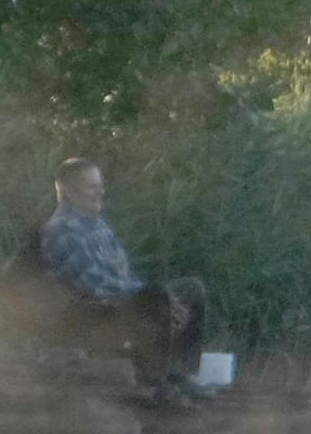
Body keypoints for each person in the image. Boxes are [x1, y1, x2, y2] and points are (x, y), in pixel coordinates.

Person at [26, 157, 215, 385]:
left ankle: (182, 374)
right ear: (69, 191)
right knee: (153, 296)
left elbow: (123, 276)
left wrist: (166, 300)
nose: (100, 192)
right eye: (92, 187)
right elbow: (94, 286)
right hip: (87, 314)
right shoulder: (62, 230)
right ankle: (155, 380)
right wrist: (156, 297)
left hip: (114, 303)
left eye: (100, 186)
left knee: (190, 289)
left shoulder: (97, 225)